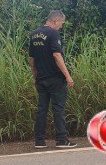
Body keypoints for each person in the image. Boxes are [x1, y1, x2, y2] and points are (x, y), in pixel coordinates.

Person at [28, 10, 76, 148]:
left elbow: (32, 60)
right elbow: (57, 56)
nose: (61, 26)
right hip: (55, 78)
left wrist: (35, 77)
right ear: (55, 21)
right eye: (61, 23)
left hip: (41, 78)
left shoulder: (33, 35)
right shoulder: (53, 33)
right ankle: (62, 140)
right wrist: (68, 76)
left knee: (41, 109)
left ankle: (39, 141)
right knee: (58, 108)